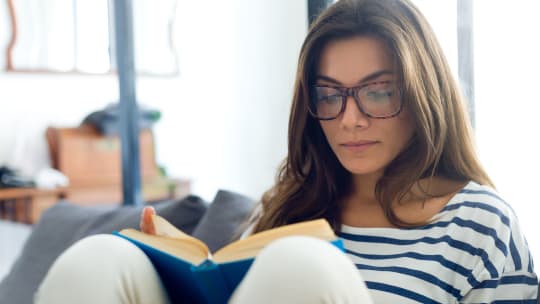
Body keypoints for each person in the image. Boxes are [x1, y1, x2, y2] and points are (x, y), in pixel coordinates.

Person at [35, 0, 538, 303]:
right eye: (329, 94)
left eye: (377, 90)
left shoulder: (480, 223)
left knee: (302, 265)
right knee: (101, 261)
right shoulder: (296, 204)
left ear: (421, 94)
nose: (350, 118)